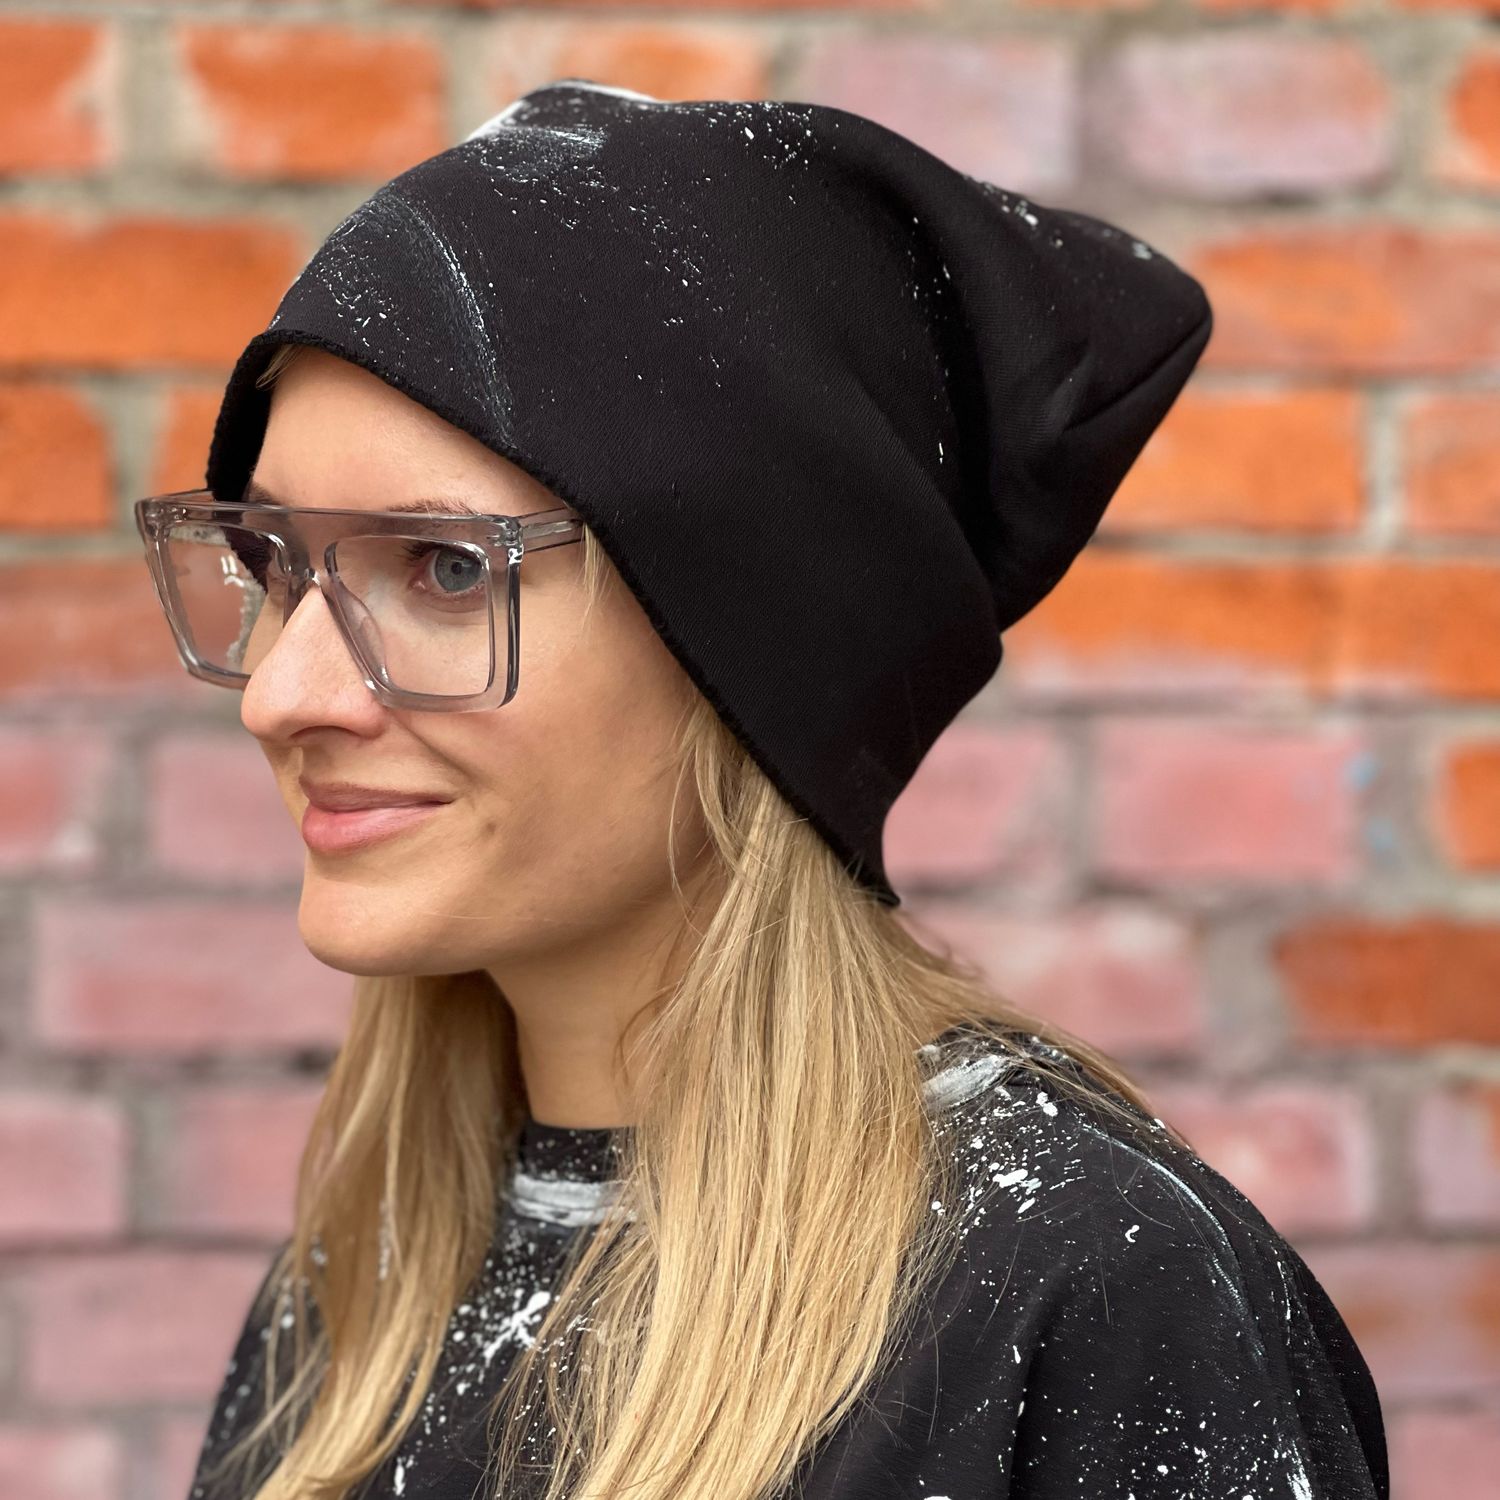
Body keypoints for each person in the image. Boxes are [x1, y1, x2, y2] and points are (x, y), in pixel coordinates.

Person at [134, 80, 1389, 1500]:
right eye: (275, 564)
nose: (286, 693)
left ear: (748, 650)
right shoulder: (369, 1285)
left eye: (445, 568)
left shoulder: (1077, 1292)